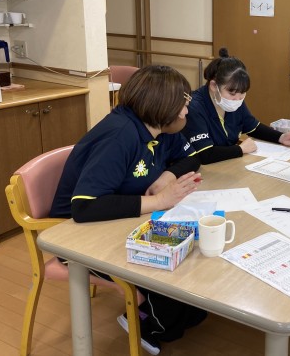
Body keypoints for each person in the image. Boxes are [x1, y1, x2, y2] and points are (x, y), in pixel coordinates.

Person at [50, 65, 206, 355]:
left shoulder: (160, 127)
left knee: (194, 277)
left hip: (121, 218)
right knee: (172, 276)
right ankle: (147, 325)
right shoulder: (119, 135)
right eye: (183, 105)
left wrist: (167, 175)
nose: (187, 112)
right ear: (163, 106)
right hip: (75, 235)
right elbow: (84, 207)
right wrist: (160, 201)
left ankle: (161, 316)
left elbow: (192, 158)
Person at [182, 48, 290, 164]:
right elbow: (205, 154)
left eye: (242, 93)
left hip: (228, 164)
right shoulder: (194, 107)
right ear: (214, 86)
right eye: (232, 93)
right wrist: (240, 149)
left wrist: (281, 137)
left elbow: (253, 127)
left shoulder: (235, 101)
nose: (238, 99)